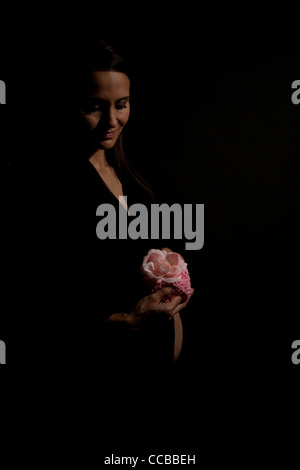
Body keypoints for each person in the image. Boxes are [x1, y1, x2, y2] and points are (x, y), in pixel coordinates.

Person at [5, 38, 194, 369]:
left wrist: (171, 277)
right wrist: (122, 321)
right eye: (94, 106)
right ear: (68, 104)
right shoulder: (49, 188)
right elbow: (32, 303)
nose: (111, 120)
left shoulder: (131, 181)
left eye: (121, 104)